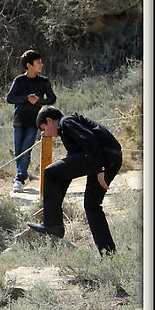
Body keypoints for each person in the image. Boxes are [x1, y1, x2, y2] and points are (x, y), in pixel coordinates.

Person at [27, 107, 123, 256]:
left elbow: (89, 140)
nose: (46, 134)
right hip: (111, 158)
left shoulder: (66, 122)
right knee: (92, 206)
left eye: (44, 129)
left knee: (50, 172)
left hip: (102, 156)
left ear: (49, 120)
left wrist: (99, 169)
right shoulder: (68, 134)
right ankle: (108, 255)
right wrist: (52, 205)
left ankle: (53, 226)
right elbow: (66, 174)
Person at [6, 49, 56, 192]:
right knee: (18, 152)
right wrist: (26, 98)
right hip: (19, 120)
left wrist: (39, 101)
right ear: (29, 65)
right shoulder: (19, 80)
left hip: (35, 122)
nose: (41, 64)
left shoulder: (44, 81)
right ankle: (22, 174)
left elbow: (52, 98)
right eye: (38, 62)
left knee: (26, 149)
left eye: (41, 62)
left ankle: (19, 178)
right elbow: (9, 98)